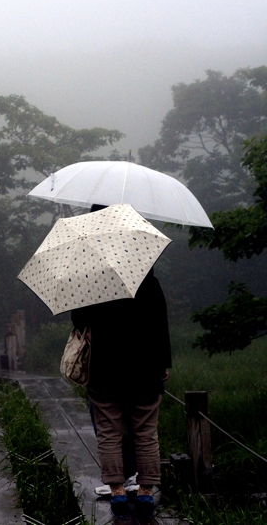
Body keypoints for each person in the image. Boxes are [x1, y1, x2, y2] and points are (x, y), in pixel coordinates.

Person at [71, 204, 172, 520]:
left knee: (109, 431)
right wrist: (164, 363)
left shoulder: (89, 274)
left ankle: (116, 491)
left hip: (104, 368)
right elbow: (160, 323)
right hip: (145, 368)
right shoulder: (147, 276)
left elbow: (79, 320)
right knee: (145, 431)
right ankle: (145, 492)